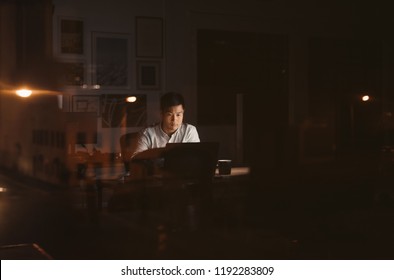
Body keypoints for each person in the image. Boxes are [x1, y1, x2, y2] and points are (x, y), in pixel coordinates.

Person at [131, 91, 200, 158]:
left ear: (183, 112)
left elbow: (196, 158)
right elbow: (136, 159)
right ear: (161, 113)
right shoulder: (147, 134)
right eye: (169, 115)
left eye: (178, 115)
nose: (174, 119)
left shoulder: (189, 131)